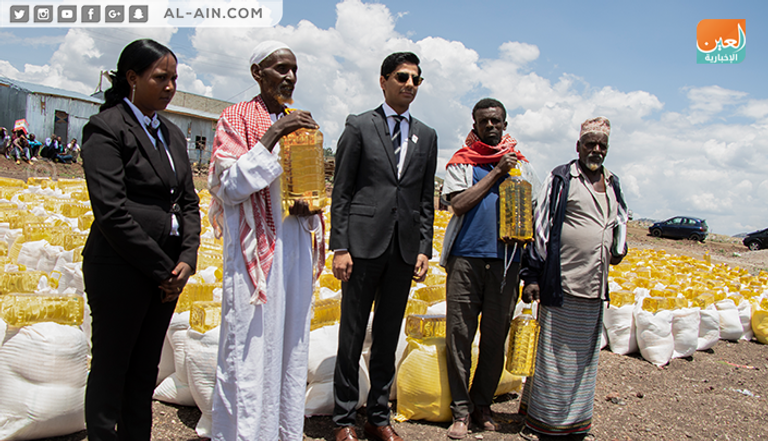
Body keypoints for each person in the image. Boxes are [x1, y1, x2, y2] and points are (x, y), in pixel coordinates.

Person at [80, 38, 200, 441]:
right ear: (132, 78)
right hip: (121, 266)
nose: (170, 87)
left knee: (145, 367)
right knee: (113, 364)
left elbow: (188, 202)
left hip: (167, 269)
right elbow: (111, 211)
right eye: (160, 78)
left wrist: (187, 258)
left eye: (174, 79)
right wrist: (161, 269)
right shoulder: (107, 127)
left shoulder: (171, 134)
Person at [208, 41, 324, 441]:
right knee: (249, 350)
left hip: (294, 249)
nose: (289, 77)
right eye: (280, 69)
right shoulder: (235, 117)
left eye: (294, 69)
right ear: (257, 73)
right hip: (253, 256)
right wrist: (274, 134)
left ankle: (283, 433)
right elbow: (230, 186)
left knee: (291, 350)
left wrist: (310, 207)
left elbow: (308, 190)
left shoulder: (302, 120)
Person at [330, 51, 438, 441]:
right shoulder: (360, 126)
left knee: (388, 335)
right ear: (383, 81)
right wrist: (339, 246)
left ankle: (377, 416)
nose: (409, 85)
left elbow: (426, 198)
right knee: (352, 333)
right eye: (402, 77)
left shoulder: (426, 135)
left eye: (415, 80)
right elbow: (341, 191)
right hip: (360, 247)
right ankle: (343, 420)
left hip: (403, 250)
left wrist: (424, 246)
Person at [518, 117, 628, 441]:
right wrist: (533, 275)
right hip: (562, 283)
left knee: (584, 362)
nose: (596, 150)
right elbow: (541, 226)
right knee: (553, 358)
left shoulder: (612, 182)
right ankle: (541, 424)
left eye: (602, 146)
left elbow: (620, 217)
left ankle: (578, 424)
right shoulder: (562, 177)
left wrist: (619, 247)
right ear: (578, 146)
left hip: (594, 286)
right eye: (590, 144)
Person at [440, 98, 539, 439]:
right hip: (465, 260)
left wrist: (530, 273)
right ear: (475, 124)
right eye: (484, 122)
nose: (491, 126)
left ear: (505, 124)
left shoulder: (523, 168)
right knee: (459, 336)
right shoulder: (462, 163)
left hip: (506, 264)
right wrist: (496, 172)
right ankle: (461, 411)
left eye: (497, 121)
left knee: (495, 338)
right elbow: (458, 204)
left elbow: (535, 221)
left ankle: (482, 403)